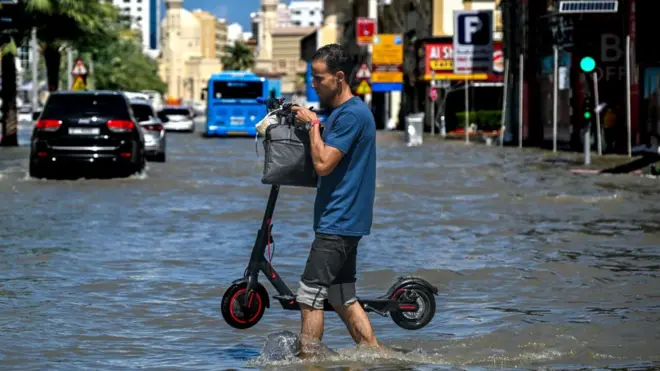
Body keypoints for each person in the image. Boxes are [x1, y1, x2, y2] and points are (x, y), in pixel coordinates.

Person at [291, 44, 379, 358]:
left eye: (319, 78)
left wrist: (314, 125)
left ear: (339, 78)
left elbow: (324, 164)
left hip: (339, 221)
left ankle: (308, 363)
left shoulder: (351, 115)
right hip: (345, 220)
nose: (313, 84)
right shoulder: (343, 114)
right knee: (341, 295)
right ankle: (376, 356)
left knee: (309, 296)